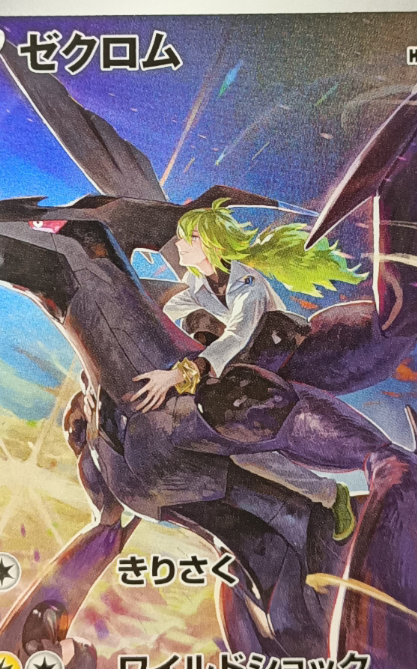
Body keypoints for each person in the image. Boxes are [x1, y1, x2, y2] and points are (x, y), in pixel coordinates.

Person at [127, 201, 367, 540]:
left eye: (188, 238)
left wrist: (179, 374)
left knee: (250, 439)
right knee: (246, 457)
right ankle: (329, 494)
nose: (179, 245)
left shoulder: (249, 286)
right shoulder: (198, 282)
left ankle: (331, 493)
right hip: (245, 366)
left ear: (211, 244)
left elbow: (236, 336)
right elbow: (170, 307)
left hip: (280, 358)